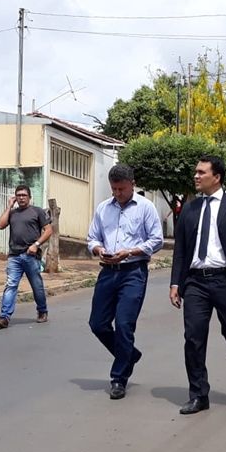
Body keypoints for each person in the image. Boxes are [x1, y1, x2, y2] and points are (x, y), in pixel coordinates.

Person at [169, 155, 226, 414]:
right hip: (195, 282)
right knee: (193, 338)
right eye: (195, 172)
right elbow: (181, 250)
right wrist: (176, 282)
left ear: (216, 177)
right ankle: (199, 395)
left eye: (201, 172)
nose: (196, 176)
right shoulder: (189, 208)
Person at [87, 165, 163, 400]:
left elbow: (156, 240)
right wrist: (98, 249)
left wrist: (130, 252)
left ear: (132, 183)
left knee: (124, 324)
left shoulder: (146, 208)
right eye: (113, 189)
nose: (117, 193)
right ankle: (129, 354)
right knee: (97, 324)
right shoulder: (103, 208)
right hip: (108, 271)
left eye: (121, 188)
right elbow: (92, 237)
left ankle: (119, 377)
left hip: (133, 272)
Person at [0, 184, 52, 329]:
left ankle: (42, 311)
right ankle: (4, 317)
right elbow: (0, 225)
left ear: (29, 197)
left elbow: (48, 230)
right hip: (14, 255)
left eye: (24, 195)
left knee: (37, 286)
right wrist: (9, 206)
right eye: (18, 195)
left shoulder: (37, 212)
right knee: (11, 285)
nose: (21, 198)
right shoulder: (12, 213)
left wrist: (36, 244)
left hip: (30, 255)